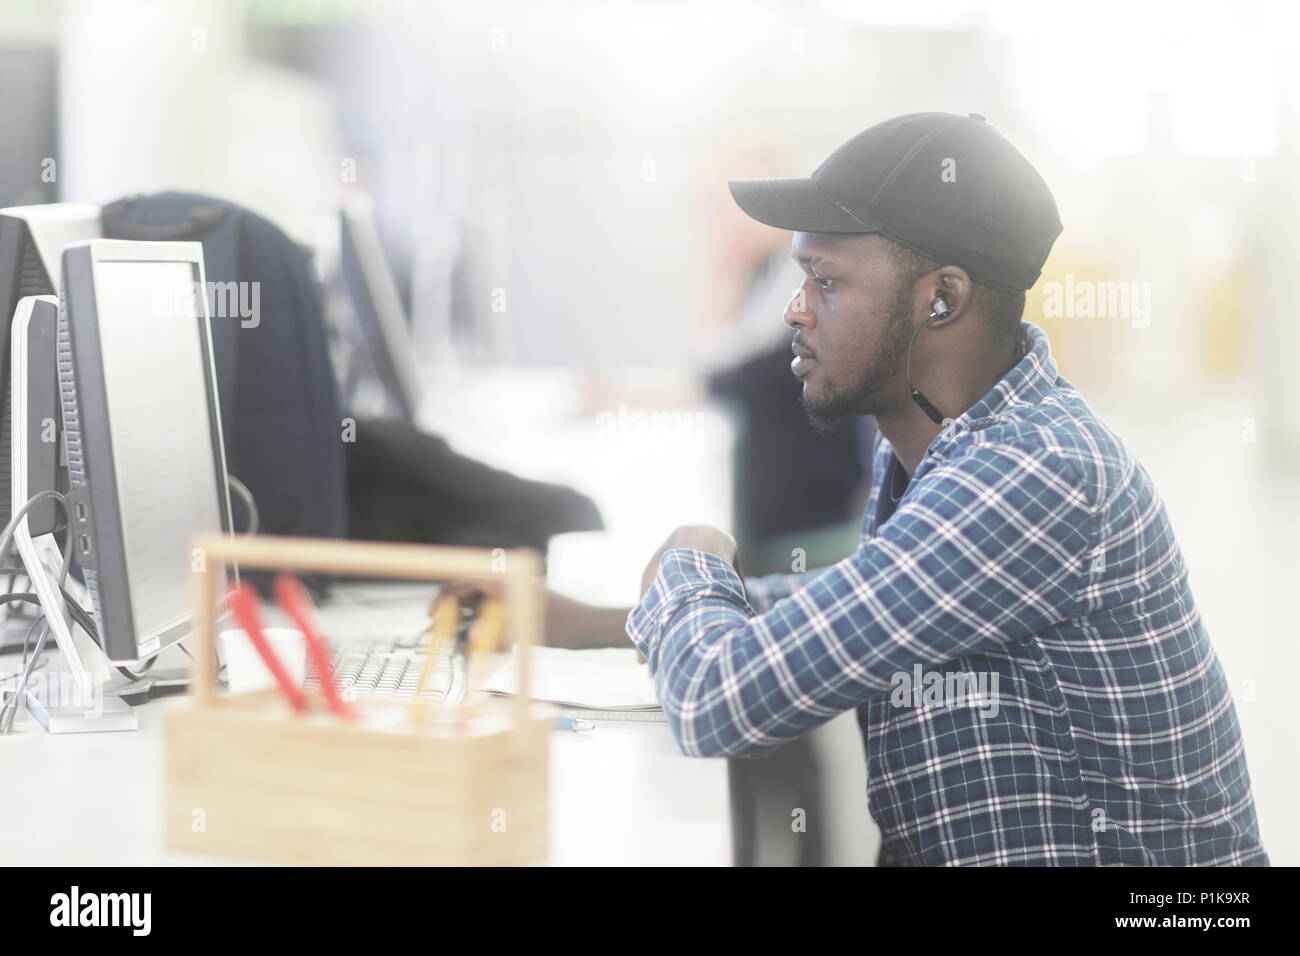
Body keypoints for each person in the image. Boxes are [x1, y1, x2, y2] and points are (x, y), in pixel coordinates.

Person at [626, 112, 1268, 866]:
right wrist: (601, 616)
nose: (795, 311)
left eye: (825, 282)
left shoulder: (1035, 472)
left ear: (941, 299)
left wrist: (691, 557)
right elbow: (826, 607)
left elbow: (717, 700)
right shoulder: (943, 452)